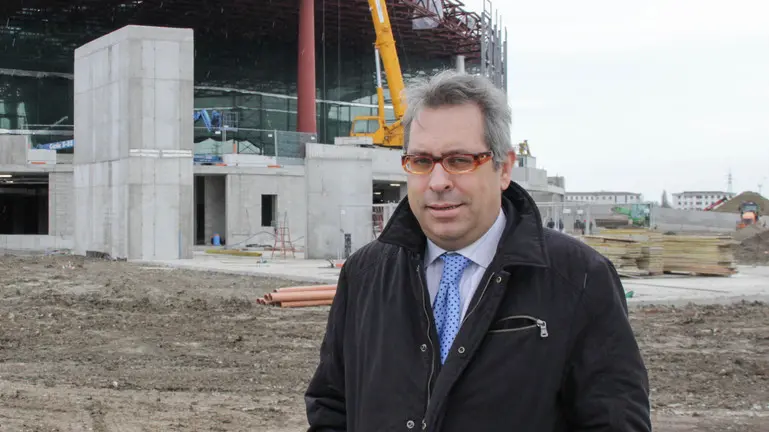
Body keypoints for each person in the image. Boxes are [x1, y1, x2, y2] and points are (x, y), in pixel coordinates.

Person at [304, 71, 651, 431]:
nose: (438, 182)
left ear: (504, 168)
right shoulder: (365, 275)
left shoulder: (578, 279)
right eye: (422, 162)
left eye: (459, 160)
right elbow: (332, 407)